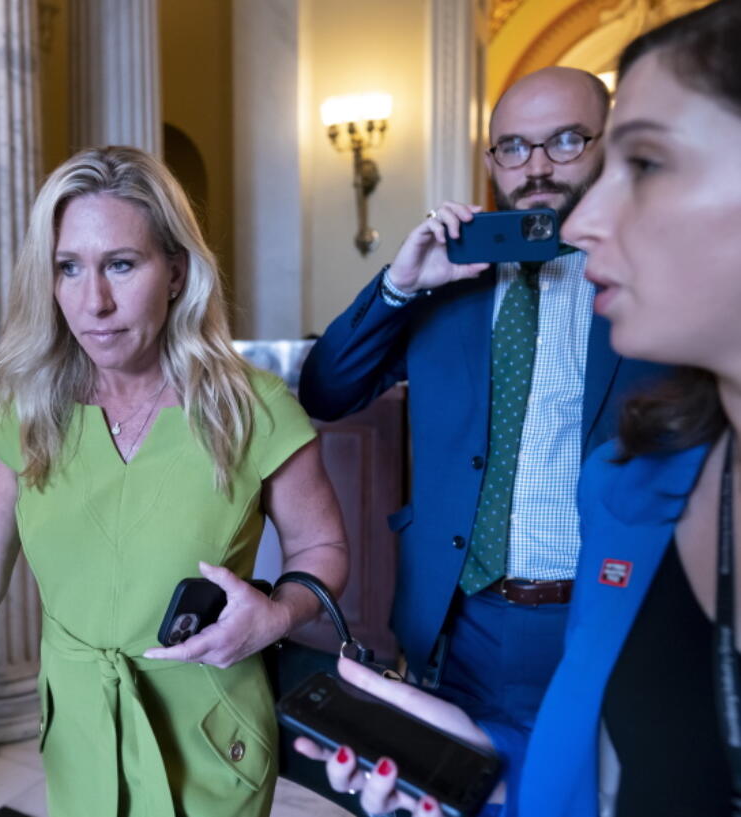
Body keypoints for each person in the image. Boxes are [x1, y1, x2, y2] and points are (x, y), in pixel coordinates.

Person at [0, 146, 350, 817]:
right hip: (81, 737)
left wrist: (275, 616)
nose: (94, 301)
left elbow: (322, 550)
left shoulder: (253, 407)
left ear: (176, 272)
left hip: (210, 735)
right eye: (69, 267)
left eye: (122, 264)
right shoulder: (29, 415)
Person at [301, 1, 741, 814]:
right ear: (491, 159)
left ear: (606, 147)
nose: (537, 166)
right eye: (513, 146)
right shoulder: (450, 285)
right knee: (476, 788)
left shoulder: (656, 294)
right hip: (459, 616)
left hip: (602, 605)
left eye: (569, 140)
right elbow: (327, 389)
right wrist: (400, 284)